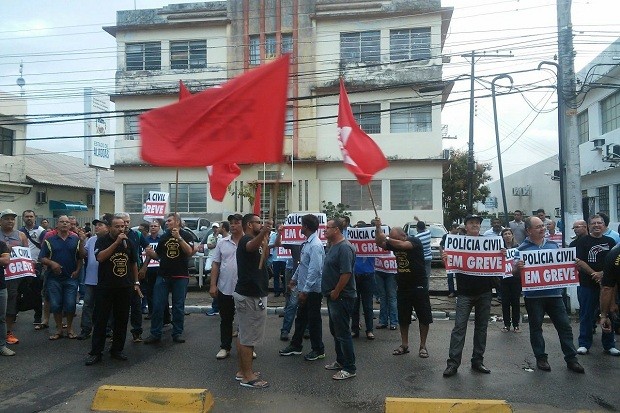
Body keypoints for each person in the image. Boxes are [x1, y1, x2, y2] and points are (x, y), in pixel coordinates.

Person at [514, 216, 584, 373]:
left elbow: (562, 266)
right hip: (533, 297)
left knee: (564, 327)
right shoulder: (521, 250)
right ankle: (541, 358)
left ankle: (571, 359)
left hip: (554, 295)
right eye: (538, 226)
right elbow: (514, 273)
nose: (542, 228)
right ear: (528, 231)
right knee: (536, 328)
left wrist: (573, 267)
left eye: (543, 226)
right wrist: (518, 268)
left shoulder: (553, 245)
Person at [443, 214, 495, 377]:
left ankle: (477, 361)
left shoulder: (489, 243)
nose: (475, 225)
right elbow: (450, 263)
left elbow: (500, 261)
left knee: (482, 328)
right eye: (471, 222)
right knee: (459, 328)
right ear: (466, 226)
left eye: (477, 223)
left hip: (484, 292)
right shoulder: (457, 243)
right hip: (465, 292)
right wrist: (446, 258)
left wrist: (502, 253)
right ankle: (453, 363)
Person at [85, 216, 141, 365]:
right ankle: (96, 352)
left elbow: (133, 263)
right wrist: (116, 243)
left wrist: (136, 282)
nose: (121, 229)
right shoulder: (102, 240)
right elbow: (100, 258)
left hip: (124, 286)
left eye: (123, 226)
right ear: (110, 227)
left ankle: (117, 350)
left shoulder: (128, 242)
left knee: (121, 320)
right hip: (106, 287)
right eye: (117, 226)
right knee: (101, 320)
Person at [375, 219, 432, 359]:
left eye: (395, 238)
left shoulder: (414, 241)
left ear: (403, 235)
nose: (392, 242)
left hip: (419, 284)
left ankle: (423, 346)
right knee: (403, 317)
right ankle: (404, 344)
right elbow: (379, 243)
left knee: (423, 316)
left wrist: (387, 238)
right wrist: (378, 228)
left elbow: (402, 245)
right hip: (403, 285)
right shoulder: (395, 243)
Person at [279, 214, 326, 360]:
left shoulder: (316, 245)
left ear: (306, 226)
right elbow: (303, 264)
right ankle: (296, 345)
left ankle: (318, 349)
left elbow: (315, 270)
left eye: (301, 225)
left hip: (312, 290)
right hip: (305, 287)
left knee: (314, 320)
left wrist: (305, 291)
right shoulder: (307, 243)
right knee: (301, 318)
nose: (300, 227)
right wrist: (294, 279)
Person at [234, 213, 272, 388]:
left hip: (253, 293)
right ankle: (248, 377)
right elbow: (250, 247)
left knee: (245, 335)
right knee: (248, 337)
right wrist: (263, 233)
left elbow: (263, 253)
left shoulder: (257, 239)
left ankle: (244, 371)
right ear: (249, 224)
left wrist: (268, 238)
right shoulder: (246, 239)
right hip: (250, 295)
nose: (261, 224)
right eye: (258, 222)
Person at [144, 213, 194, 344]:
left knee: (178, 306)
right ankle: (155, 333)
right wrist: (151, 253)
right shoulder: (164, 236)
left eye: (170, 221)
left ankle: (177, 333)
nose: (167, 223)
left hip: (180, 276)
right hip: (164, 275)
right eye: (167, 221)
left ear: (177, 222)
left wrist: (179, 238)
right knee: (158, 304)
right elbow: (159, 255)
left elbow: (189, 252)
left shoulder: (187, 235)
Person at [571, 214, 617, 355]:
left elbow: (614, 262)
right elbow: (579, 261)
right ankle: (584, 344)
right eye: (594, 223)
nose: (597, 225)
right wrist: (594, 274)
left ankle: (609, 344)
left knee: (608, 313)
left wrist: (603, 274)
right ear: (589, 226)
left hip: (607, 285)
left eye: (600, 223)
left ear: (604, 225)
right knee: (586, 314)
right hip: (587, 285)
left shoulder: (610, 242)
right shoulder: (582, 242)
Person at [322, 218, 357, 380]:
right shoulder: (333, 246)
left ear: (336, 229)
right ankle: (340, 360)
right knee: (335, 331)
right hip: (333, 296)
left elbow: (346, 273)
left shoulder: (344, 248)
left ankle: (349, 368)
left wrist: (336, 291)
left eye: (328, 227)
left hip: (342, 296)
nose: (324, 229)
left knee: (343, 333)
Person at [38, 215, 83, 340]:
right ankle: (59, 329)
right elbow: (42, 257)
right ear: (57, 224)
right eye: (62, 222)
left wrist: (78, 270)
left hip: (70, 277)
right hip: (54, 278)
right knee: (56, 304)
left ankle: (69, 328)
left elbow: (81, 257)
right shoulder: (50, 240)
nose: (64, 224)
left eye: (67, 222)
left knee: (70, 304)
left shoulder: (76, 240)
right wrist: (52, 263)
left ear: (70, 225)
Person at [211, 215, 242, 360]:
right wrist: (213, 285)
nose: (233, 226)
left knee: (245, 320)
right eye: (231, 223)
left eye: (237, 223)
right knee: (226, 319)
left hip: (244, 288)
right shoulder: (222, 243)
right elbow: (215, 264)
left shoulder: (249, 242)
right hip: (225, 287)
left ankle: (247, 348)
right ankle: (225, 346)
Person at [116, 212, 150, 343]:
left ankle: (137, 332)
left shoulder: (137, 235)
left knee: (136, 305)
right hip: (118, 274)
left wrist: (144, 267)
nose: (125, 225)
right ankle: (115, 332)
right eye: (123, 222)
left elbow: (149, 249)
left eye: (127, 222)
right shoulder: (113, 236)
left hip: (134, 274)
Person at [77, 215, 111, 340]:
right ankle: (86, 329)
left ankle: (107, 328)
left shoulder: (111, 240)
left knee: (106, 305)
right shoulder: (91, 240)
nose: (96, 227)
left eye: (100, 225)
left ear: (107, 228)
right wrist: (81, 241)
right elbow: (83, 254)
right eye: (96, 225)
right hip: (91, 279)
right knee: (87, 305)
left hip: (106, 279)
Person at [1, 209, 29, 345]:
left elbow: (26, 255)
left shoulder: (21, 235)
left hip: (13, 277)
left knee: (11, 304)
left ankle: (8, 331)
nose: (10, 221)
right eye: (6, 218)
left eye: (12, 219)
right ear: (1, 221)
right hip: (1, 274)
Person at [20, 210, 45, 328]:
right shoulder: (19, 232)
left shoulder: (41, 231)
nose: (29, 218)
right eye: (26, 216)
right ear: (23, 218)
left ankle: (38, 316)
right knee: (19, 290)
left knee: (36, 292)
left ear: (35, 218)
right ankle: (14, 313)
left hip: (36, 265)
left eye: (31, 216)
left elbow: (45, 247)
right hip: (22, 266)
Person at [350, 221, 375, 340]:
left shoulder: (372, 243)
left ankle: (369, 330)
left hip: (368, 275)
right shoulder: (351, 244)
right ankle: (354, 329)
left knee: (368, 305)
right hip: (355, 275)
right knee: (354, 304)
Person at [499, 228, 521, 332]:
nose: (507, 236)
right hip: (504, 280)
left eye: (509, 234)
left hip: (516, 279)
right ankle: (506, 325)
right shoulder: (499, 249)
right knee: (505, 303)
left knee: (515, 302)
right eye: (505, 234)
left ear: (512, 236)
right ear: (502, 237)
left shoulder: (518, 248)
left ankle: (516, 325)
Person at [374, 253, 398, 330]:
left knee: (391, 297)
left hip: (391, 270)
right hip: (379, 269)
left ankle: (393, 322)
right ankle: (383, 321)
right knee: (384, 297)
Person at [0, 239, 14, 356]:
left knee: (1, 318)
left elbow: (5, 260)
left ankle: (1, 346)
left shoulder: (1, 244)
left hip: (1, 287)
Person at [440, 224, 459, 297]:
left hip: (457, 259)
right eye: (456, 229)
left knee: (458, 276)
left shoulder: (459, 236)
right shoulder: (446, 236)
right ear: (453, 228)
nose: (457, 231)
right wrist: (442, 256)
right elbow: (441, 246)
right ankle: (451, 291)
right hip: (449, 259)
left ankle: (459, 291)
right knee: (450, 276)